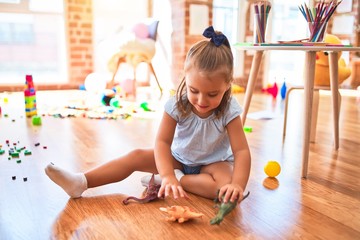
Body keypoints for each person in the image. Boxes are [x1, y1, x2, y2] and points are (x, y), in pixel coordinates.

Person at [45, 26, 251, 204]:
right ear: (185, 79)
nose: (201, 100)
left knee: (224, 188)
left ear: (227, 84)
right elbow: (162, 143)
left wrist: (237, 185)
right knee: (135, 156)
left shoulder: (229, 109)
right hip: (177, 159)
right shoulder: (177, 104)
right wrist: (168, 170)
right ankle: (80, 182)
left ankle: (170, 180)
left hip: (212, 166)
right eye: (194, 90)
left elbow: (241, 151)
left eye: (212, 94)